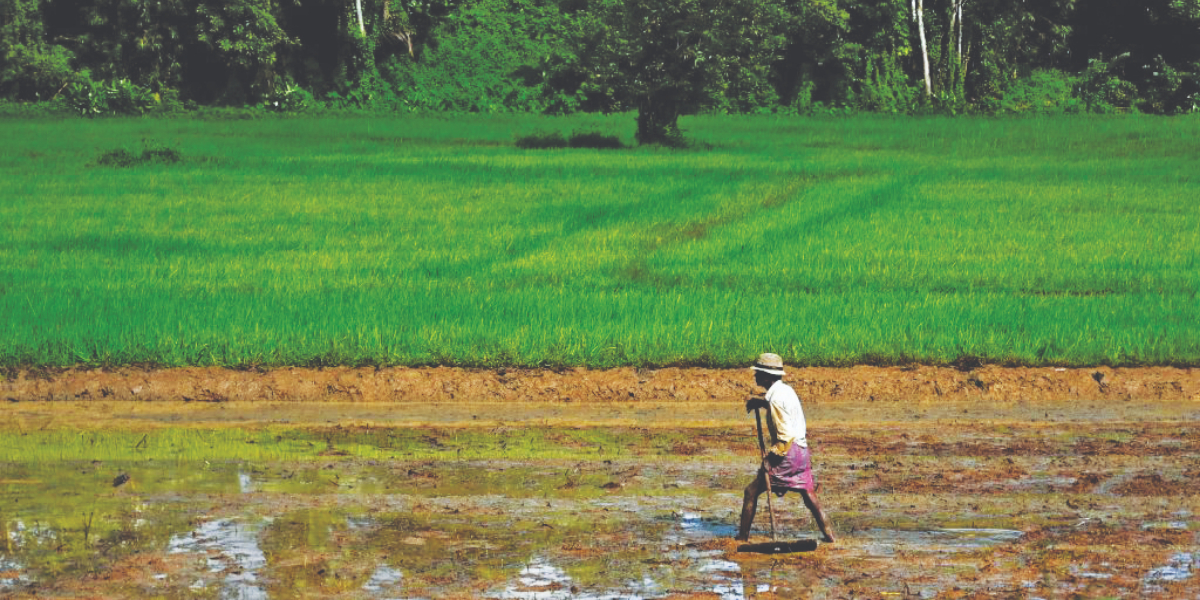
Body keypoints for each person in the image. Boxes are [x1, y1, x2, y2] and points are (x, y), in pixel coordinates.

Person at [736, 352, 835, 543]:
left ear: (767, 376)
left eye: (758, 373)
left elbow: (785, 436)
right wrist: (761, 402)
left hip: (787, 451)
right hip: (801, 451)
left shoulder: (775, 400)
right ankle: (829, 535)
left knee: (751, 491)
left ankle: (742, 538)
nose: (755, 376)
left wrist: (770, 459)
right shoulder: (786, 391)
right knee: (808, 495)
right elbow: (782, 411)